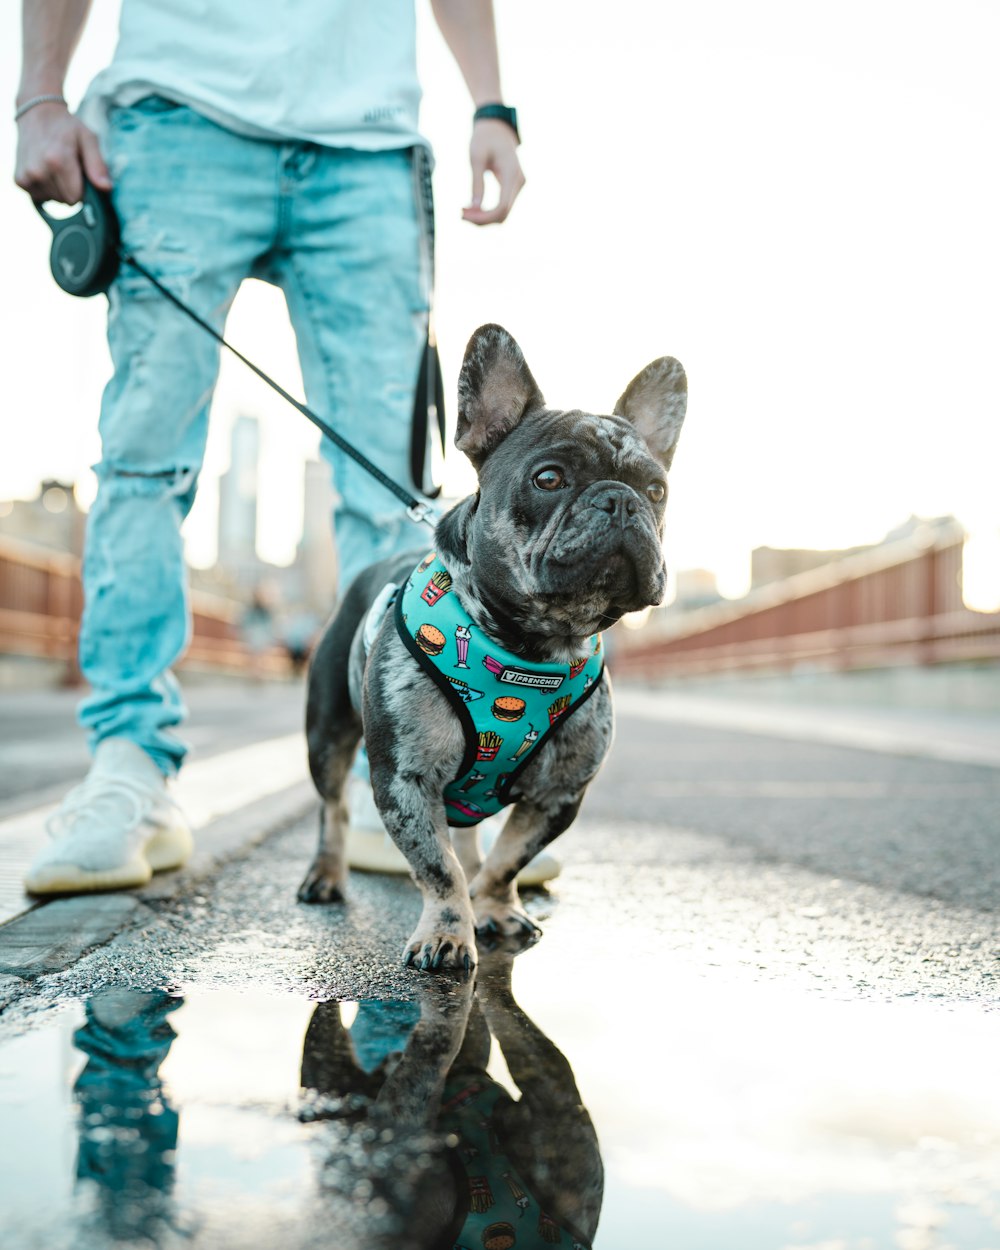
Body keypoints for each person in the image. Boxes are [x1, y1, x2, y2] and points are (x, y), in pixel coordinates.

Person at [15, 0, 530, 895]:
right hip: (176, 113)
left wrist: (491, 103)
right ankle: (129, 771)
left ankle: (401, 774)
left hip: (366, 141)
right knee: (143, 464)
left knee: (394, 493)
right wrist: (38, 97)